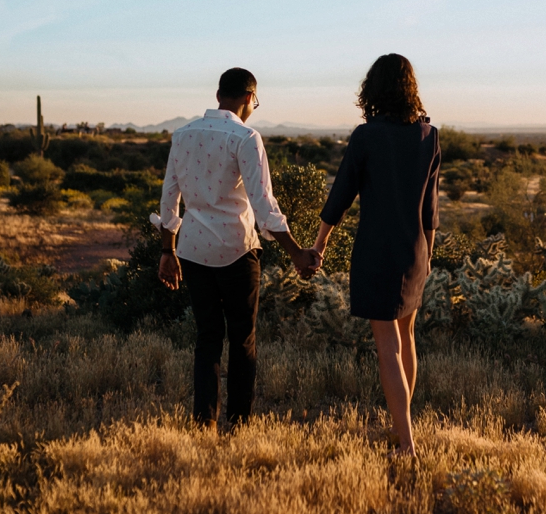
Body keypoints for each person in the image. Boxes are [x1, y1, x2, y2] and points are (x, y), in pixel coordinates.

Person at [152, 67, 320, 431]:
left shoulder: (182, 135)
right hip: (238, 252)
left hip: (193, 251)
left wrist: (168, 251)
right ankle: (240, 422)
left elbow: (169, 199)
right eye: (254, 102)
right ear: (248, 98)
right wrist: (295, 252)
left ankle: (204, 423)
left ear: (217, 96)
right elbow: (263, 204)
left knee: (207, 338)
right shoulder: (246, 137)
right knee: (242, 338)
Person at [312, 54, 440, 457]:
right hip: (416, 250)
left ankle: (406, 443)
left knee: (388, 346)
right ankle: (402, 427)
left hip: (377, 252)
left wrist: (320, 243)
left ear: (372, 89)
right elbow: (431, 209)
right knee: (407, 337)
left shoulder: (366, 136)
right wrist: (428, 254)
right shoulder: (429, 135)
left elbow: (340, 197)